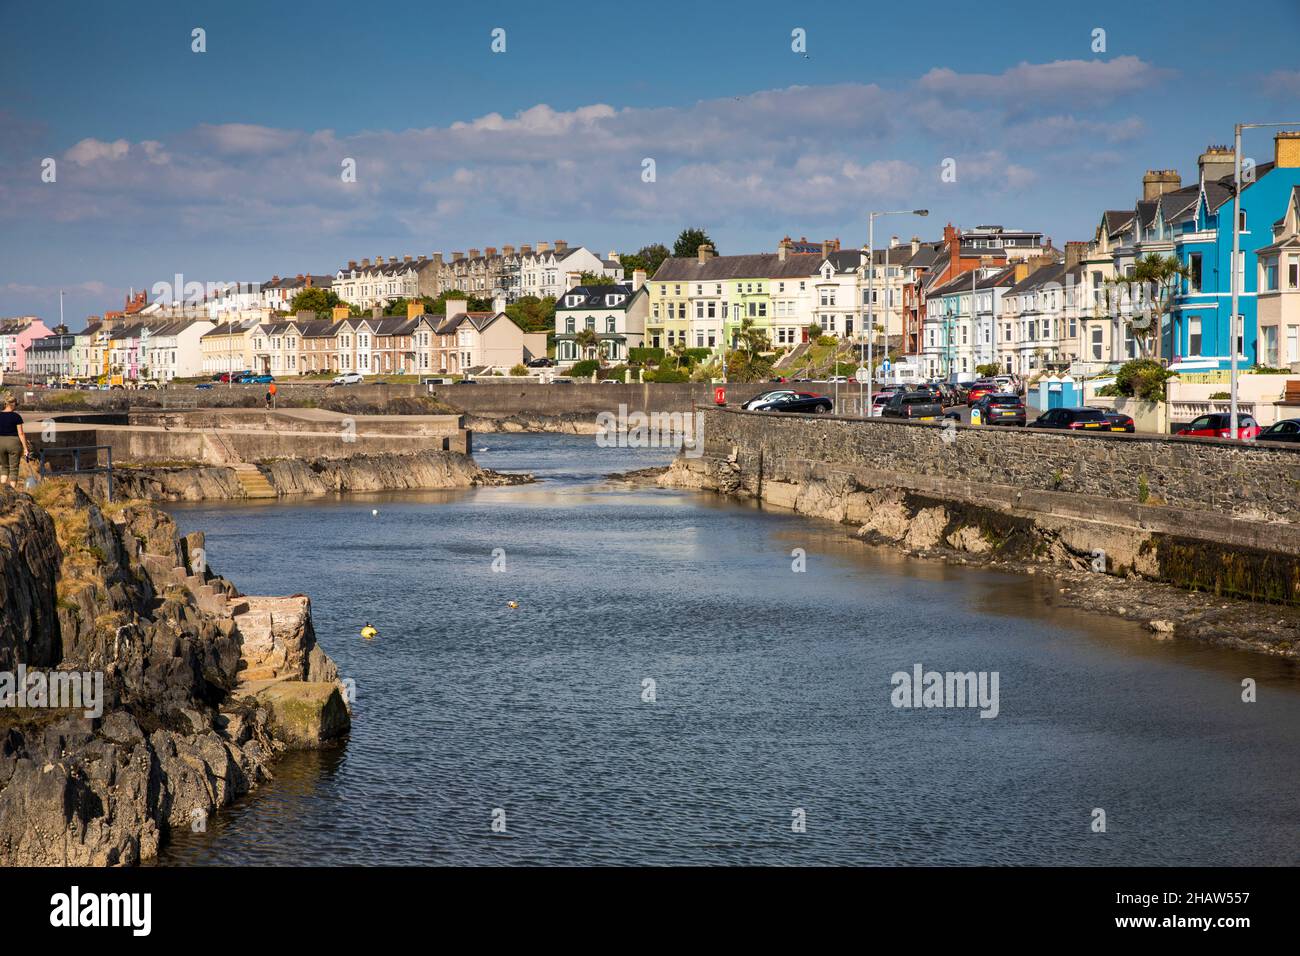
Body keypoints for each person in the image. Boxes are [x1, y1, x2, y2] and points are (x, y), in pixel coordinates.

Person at [0, 393, 31, 487]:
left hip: (0, 442)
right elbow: (21, 433)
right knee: (14, 469)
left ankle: (2, 493)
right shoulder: (16, 417)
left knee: (4, 467)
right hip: (14, 443)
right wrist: (26, 448)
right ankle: (12, 493)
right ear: (13, 405)